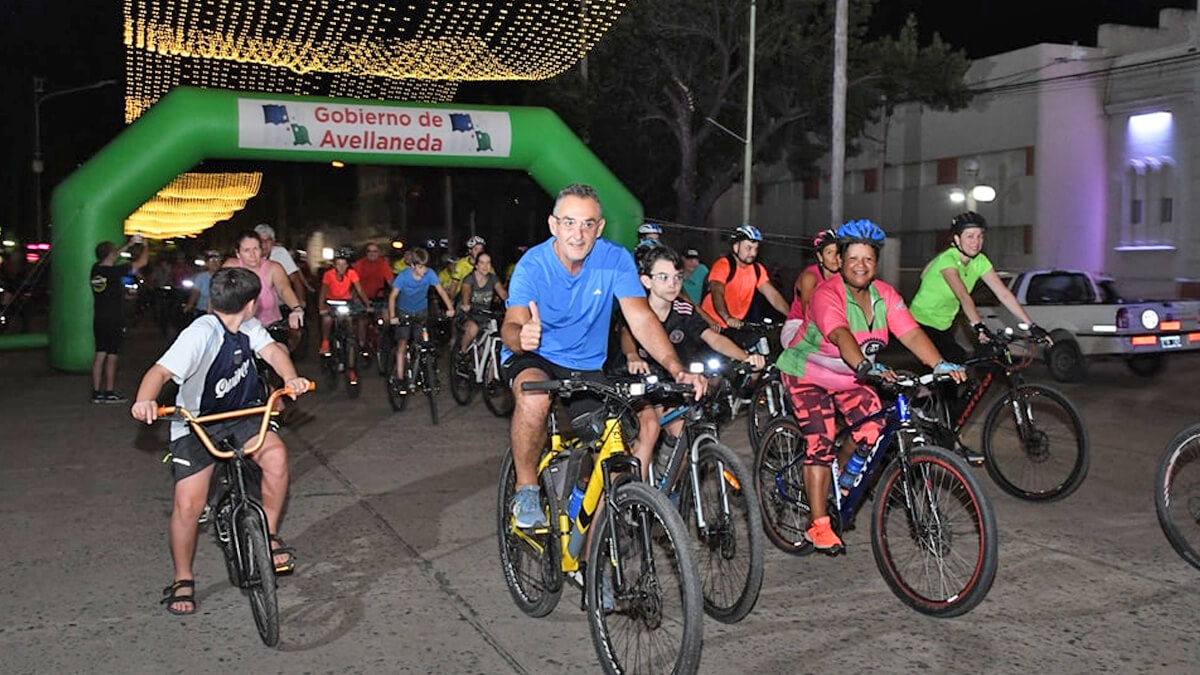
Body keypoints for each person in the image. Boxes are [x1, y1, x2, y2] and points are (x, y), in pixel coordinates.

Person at [501, 182, 706, 529]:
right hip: (537, 356)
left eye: (587, 224)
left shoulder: (614, 259)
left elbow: (640, 318)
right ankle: (526, 488)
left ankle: (591, 556)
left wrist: (675, 367)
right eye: (569, 222)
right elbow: (511, 324)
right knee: (533, 400)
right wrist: (522, 337)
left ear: (600, 227)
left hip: (586, 365)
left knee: (614, 451)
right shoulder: (532, 265)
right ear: (553, 225)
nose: (577, 234)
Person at [775, 219, 966, 553]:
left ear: (876, 263)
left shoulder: (886, 295)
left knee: (873, 427)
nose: (860, 266)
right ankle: (818, 526)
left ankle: (843, 481)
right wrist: (867, 366)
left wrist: (938, 364)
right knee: (820, 440)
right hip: (808, 373)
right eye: (853, 259)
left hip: (850, 376)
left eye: (868, 259)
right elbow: (840, 335)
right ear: (841, 261)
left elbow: (910, 332)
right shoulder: (826, 294)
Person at [130, 267, 311, 615]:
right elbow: (160, 372)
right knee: (188, 504)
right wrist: (145, 399)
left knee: (276, 458)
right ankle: (183, 577)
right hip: (197, 423)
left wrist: (291, 378)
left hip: (242, 416)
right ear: (252, 303)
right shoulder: (200, 334)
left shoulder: (249, 327)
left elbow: (273, 352)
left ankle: (269, 537)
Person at [622, 245, 764, 479]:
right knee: (649, 427)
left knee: (682, 435)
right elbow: (627, 335)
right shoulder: (636, 308)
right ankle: (636, 496)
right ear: (646, 281)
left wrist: (745, 356)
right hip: (636, 380)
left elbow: (713, 338)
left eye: (677, 278)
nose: (672, 284)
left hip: (670, 379)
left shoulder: (684, 310)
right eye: (663, 277)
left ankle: (665, 491)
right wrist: (632, 356)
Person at [908, 211, 1048, 364]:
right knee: (952, 367)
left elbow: (1003, 294)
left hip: (944, 324)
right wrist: (979, 326)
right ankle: (922, 389)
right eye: (970, 236)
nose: (976, 241)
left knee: (958, 366)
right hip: (920, 322)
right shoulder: (947, 259)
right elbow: (963, 295)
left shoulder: (980, 261)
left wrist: (1032, 326)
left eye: (980, 236)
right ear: (957, 239)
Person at [700, 225, 791, 349]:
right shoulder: (723, 265)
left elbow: (773, 296)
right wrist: (727, 317)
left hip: (736, 325)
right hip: (714, 324)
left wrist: (792, 316)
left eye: (756, 249)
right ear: (736, 246)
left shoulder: (757, 270)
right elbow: (717, 292)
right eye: (748, 248)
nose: (753, 253)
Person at [388, 247, 456, 393]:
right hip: (403, 311)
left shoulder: (430, 274)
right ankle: (400, 378)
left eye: (425, 267)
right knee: (402, 342)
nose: (423, 270)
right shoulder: (403, 276)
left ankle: (429, 374)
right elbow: (393, 296)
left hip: (421, 311)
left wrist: (450, 308)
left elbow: (441, 291)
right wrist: (393, 316)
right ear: (412, 265)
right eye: (420, 267)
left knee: (425, 343)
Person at [91, 234, 149, 403]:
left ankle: (96, 393)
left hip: (99, 317)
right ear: (110, 254)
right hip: (114, 317)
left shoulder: (96, 269)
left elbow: (112, 255)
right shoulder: (116, 272)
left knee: (99, 354)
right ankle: (109, 392)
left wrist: (128, 244)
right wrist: (145, 245)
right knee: (112, 355)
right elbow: (141, 263)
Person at [225, 231, 305, 334]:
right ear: (238, 253)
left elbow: (284, 289)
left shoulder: (274, 268)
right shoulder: (230, 267)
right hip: (237, 329)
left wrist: (296, 308)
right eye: (246, 250)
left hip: (269, 328)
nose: (252, 255)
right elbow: (219, 292)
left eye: (256, 249)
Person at [781, 228, 841, 349]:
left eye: (838, 252)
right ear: (820, 257)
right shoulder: (810, 276)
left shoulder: (844, 277)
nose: (835, 257)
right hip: (800, 325)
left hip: (832, 326)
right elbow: (807, 310)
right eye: (829, 252)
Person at [255, 223, 309, 353]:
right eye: (260, 241)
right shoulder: (249, 255)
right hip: (255, 307)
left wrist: (299, 304)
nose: (264, 245)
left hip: (280, 303)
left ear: (273, 242)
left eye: (267, 240)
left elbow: (294, 279)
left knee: (293, 332)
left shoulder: (280, 254)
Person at [318, 247, 370, 357]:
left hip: (346, 302)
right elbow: (323, 291)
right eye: (338, 264)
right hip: (331, 301)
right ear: (334, 265)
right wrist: (321, 307)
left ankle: (351, 346)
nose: (341, 267)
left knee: (350, 321)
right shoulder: (328, 274)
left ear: (347, 265)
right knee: (327, 319)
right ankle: (325, 342)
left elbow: (359, 290)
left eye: (344, 264)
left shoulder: (352, 273)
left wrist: (367, 304)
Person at [456, 250, 508, 358]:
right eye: (482, 263)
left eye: (488, 263)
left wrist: (515, 304)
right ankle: (462, 352)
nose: (485, 266)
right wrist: (466, 304)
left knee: (499, 333)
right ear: (476, 265)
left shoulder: (493, 278)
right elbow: (466, 291)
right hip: (468, 314)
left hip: (485, 315)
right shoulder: (469, 279)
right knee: (473, 329)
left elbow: (503, 293)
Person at [182, 250, 222, 320]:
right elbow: (195, 292)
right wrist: (190, 304)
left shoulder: (224, 277)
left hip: (220, 312)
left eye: (217, 260)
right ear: (207, 264)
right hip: (202, 310)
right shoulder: (201, 277)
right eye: (211, 261)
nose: (214, 263)